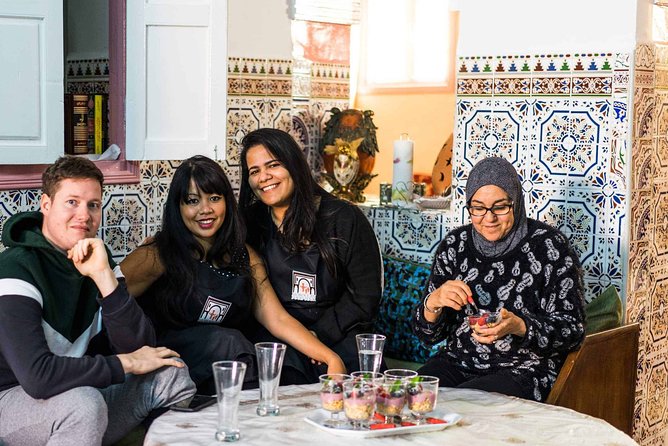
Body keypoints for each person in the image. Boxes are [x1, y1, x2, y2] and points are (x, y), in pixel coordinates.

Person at [0, 156, 195, 446]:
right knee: (84, 405)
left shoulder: (97, 257)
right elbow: (38, 377)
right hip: (12, 402)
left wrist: (104, 277)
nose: (84, 214)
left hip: (74, 392)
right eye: (72, 202)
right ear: (45, 205)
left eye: (93, 205)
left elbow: (141, 348)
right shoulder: (16, 268)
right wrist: (125, 363)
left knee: (171, 371)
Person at [120, 155, 345, 393]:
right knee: (227, 341)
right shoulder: (157, 254)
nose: (205, 210)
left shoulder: (244, 255)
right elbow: (106, 302)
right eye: (192, 201)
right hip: (175, 360)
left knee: (284, 355)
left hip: (230, 363)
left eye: (214, 198)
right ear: (178, 207)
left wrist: (330, 358)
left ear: (227, 202)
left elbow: (277, 319)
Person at [412, 156, 586, 402]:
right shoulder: (455, 245)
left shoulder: (550, 247)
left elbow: (573, 330)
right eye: (478, 207)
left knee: (470, 404)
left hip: (525, 369)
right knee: (409, 395)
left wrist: (520, 326)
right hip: (458, 361)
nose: (489, 218)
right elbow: (427, 335)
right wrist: (434, 302)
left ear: (515, 203)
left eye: (500, 207)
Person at [238, 128, 383, 379]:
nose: (264, 177)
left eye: (273, 165)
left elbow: (366, 295)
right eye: (254, 171)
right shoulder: (249, 224)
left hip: (340, 334)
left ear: (294, 165)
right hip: (279, 335)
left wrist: (320, 334)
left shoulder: (343, 218)